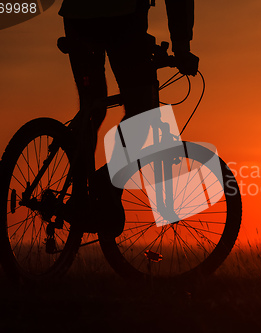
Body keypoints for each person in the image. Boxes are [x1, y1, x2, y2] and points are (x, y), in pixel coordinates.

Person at [59, 0, 199, 236]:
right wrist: (182, 48)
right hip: (122, 17)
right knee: (143, 109)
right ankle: (105, 182)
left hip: (77, 17)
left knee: (91, 106)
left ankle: (80, 197)